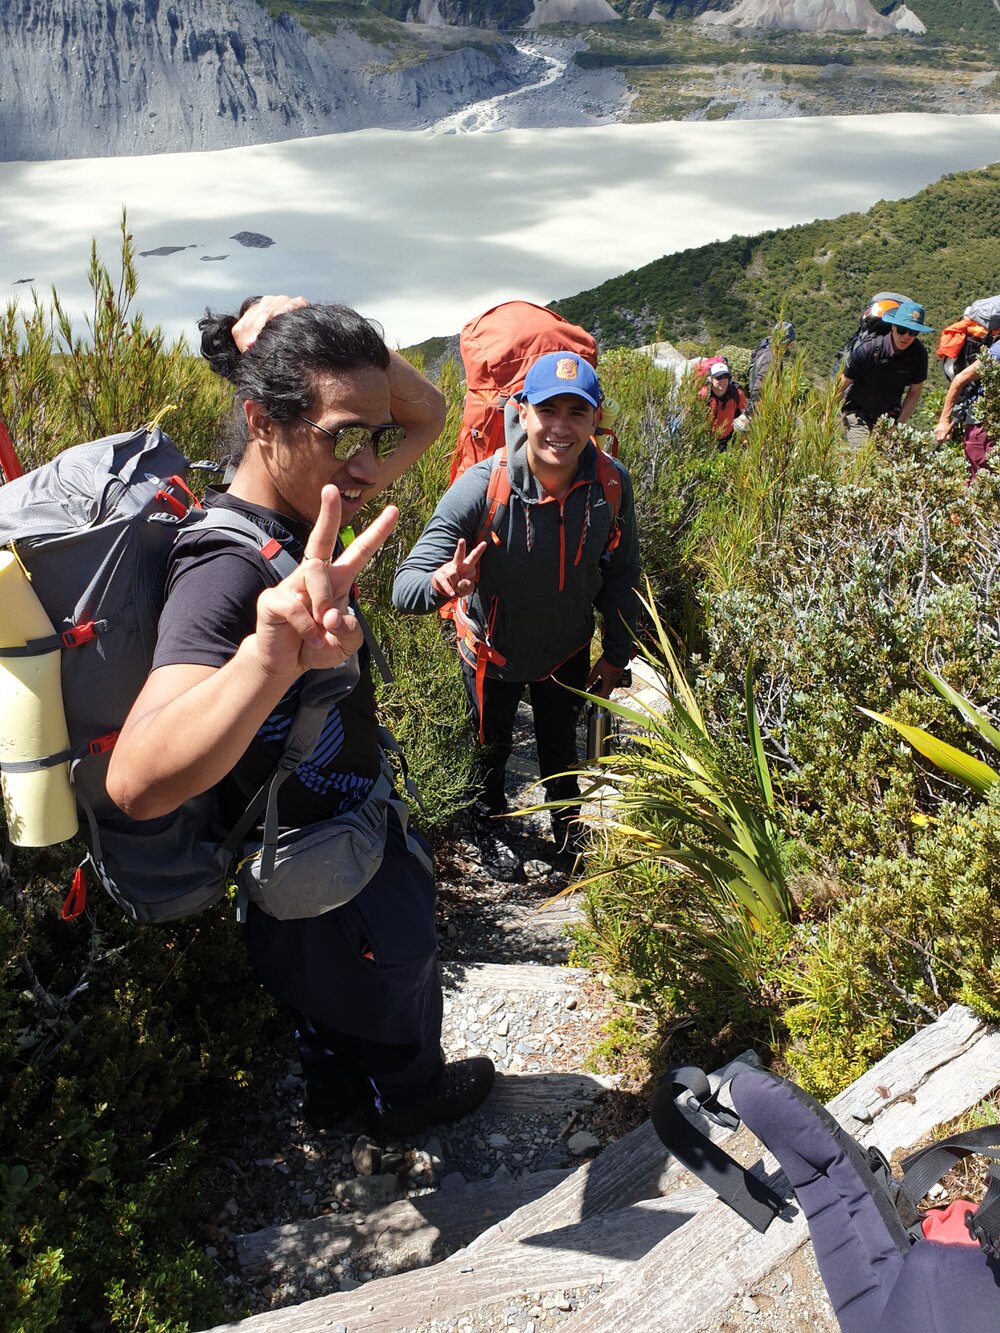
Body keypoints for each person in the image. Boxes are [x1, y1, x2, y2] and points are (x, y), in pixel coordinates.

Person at [106, 302, 494, 1141]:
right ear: (260, 421)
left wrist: (307, 324)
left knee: (323, 999)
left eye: (373, 440)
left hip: (306, 850)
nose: (367, 465)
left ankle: (337, 1105)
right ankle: (412, 1101)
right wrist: (266, 657)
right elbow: (135, 781)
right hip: (319, 854)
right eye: (345, 435)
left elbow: (424, 414)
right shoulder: (223, 570)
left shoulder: (301, 491)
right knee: (397, 977)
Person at [392, 350, 641, 877]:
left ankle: (568, 835)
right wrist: (442, 584)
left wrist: (617, 655)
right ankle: (489, 826)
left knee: (560, 752)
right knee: (490, 752)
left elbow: (621, 577)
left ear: (596, 418)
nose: (561, 427)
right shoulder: (484, 486)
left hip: (566, 652)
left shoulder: (610, 484)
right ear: (522, 411)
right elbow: (403, 587)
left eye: (577, 412)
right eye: (549, 410)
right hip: (492, 654)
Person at [840, 301, 934, 448]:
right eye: (902, 330)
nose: (906, 337)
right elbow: (844, 381)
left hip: (888, 418)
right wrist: (827, 414)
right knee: (861, 457)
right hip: (858, 412)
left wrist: (898, 425)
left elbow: (915, 392)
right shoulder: (870, 348)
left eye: (913, 332)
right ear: (893, 326)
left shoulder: (918, 355)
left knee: (884, 464)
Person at [934, 334, 1000, 480]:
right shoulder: (998, 351)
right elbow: (960, 379)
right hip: (983, 428)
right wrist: (944, 421)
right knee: (980, 483)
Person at [744, 321, 796, 420]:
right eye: (789, 343)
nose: (789, 347)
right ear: (784, 342)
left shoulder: (763, 351)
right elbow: (760, 385)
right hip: (760, 412)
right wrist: (753, 411)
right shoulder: (771, 358)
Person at [698, 360, 747, 448]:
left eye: (726, 376)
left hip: (727, 438)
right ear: (710, 379)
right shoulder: (703, 394)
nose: (723, 380)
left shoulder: (737, 394)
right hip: (705, 439)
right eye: (719, 377)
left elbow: (745, 414)